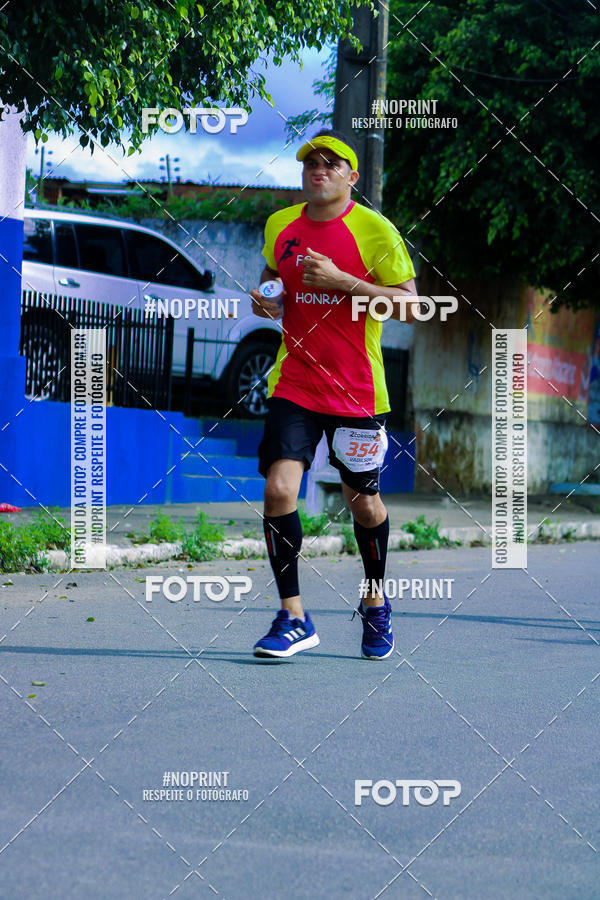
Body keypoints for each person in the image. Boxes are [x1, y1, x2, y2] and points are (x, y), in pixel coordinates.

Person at [249, 128, 418, 660]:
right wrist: (269, 303)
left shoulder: (375, 230)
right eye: (310, 164)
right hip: (294, 380)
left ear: (352, 176)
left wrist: (346, 281)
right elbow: (273, 279)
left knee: (362, 502)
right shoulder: (281, 225)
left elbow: (410, 306)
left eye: (330, 163)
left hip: (356, 392)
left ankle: (374, 601)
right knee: (279, 491)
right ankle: (293, 616)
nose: (318, 170)